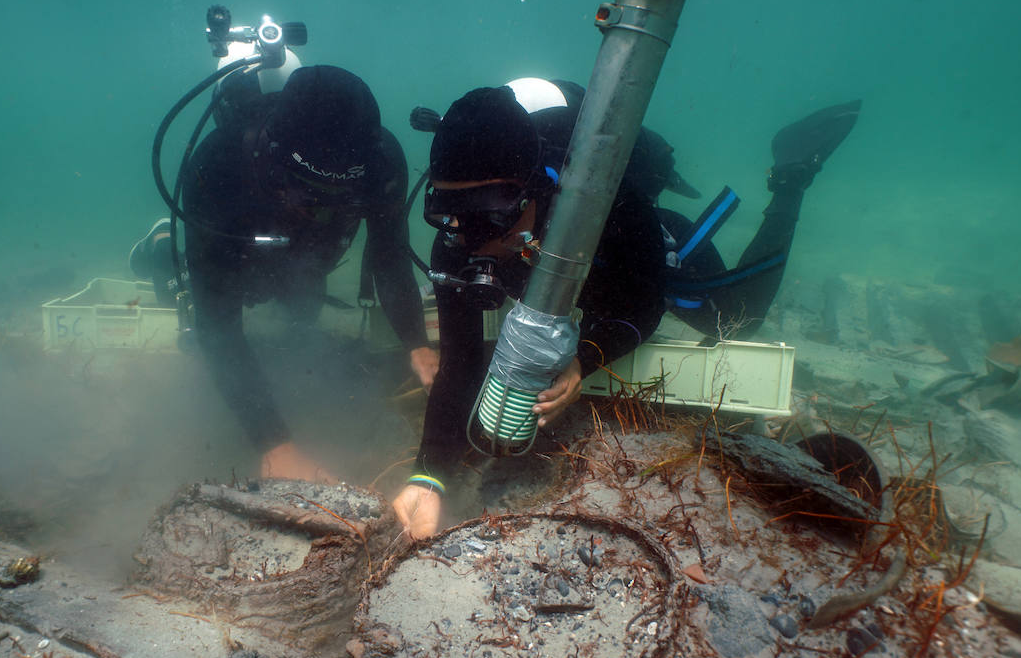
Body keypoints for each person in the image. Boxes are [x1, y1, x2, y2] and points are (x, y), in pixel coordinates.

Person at [392, 81, 859, 538]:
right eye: (450, 214)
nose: (471, 239)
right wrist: (426, 478)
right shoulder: (457, 238)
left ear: (534, 189)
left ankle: (792, 176)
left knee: (737, 316)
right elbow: (459, 363)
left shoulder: (611, 206)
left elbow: (642, 308)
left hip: (625, 255)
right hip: (563, 262)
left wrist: (583, 360)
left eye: (490, 216)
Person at [131, 65, 437, 482]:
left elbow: (389, 256)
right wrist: (274, 444)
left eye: (339, 199)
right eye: (307, 195)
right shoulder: (218, 167)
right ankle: (161, 245)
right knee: (189, 303)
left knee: (301, 316)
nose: (319, 211)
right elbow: (218, 329)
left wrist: (417, 344)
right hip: (240, 247)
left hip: (309, 259)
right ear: (273, 160)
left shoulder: (380, 160)